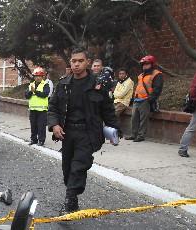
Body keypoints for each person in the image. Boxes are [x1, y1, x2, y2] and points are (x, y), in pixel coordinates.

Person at [48, 47, 118, 213]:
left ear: (87, 62)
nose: (77, 64)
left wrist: (114, 130)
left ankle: (70, 200)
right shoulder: (64, 84)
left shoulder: (97, 85)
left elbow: (107, 109)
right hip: (67, 133)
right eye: (74, 61)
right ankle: (72, 195)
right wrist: (55, 124)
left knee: (79, 166)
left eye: (80, 61)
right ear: (70, 63)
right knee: (67, 168)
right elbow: (53, 107)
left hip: (88, 133)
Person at [127, 55, 163, 142]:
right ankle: (133, 134)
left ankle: (141, 135)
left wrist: (150, 99)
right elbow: (139, 87)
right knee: (134, 118)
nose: (144, 66)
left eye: (146, 64)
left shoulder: (157, 74)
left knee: (143, 119)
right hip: (137, 99)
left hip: (146, 100)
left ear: (152, 64)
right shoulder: (141, 75)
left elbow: (157, 88)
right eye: (143, 64)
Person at [25, 67, 50, 146]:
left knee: (41, 126)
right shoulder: (31, 84)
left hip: (42, 110)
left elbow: (44, 94)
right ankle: (33, 139)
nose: (37, 77)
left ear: (43, 77)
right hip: (32, 109)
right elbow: (26, 96)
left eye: (39, 76)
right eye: (36, 76)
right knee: (33, 126)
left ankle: (41, 140)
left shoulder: (45, 85)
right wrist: (30, 92)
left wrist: (34, 91)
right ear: (34, 77)